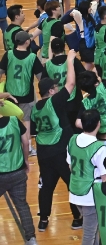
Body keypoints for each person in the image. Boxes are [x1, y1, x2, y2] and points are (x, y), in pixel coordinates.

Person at [31, 49, 83, 232]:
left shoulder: (36, 108)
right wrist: (70, 61)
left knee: (46, 186)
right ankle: (77, 217)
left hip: (44, 152)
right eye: (55, 87)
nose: (58, 88)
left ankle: (43, 219)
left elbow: (34, 130)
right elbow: (71, 83)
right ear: (51, 91)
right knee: (71, 183)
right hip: (60, 149)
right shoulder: (55, 101)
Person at [0, 91, 38, 245]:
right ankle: (31, 238)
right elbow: (26, 142)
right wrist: (26, 160)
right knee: (22, 205)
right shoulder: (14, 121)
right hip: (17, 171)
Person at [68, 109, 106, 245]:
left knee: (94, 230)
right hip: (90, 196)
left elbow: (70, 166)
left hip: (74, 192)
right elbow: (105, 176)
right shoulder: (99, 147)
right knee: (89, 234)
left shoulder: (73, 139)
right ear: (99, 123)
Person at [0, 31, 43, 156]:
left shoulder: (8, 54)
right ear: (27, 42)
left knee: (11, 120)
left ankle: (12, 146)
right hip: (26, 95)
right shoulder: (32, 57)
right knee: (26, 121)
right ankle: (28, 148)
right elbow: (41, 77)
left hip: (9, 94)